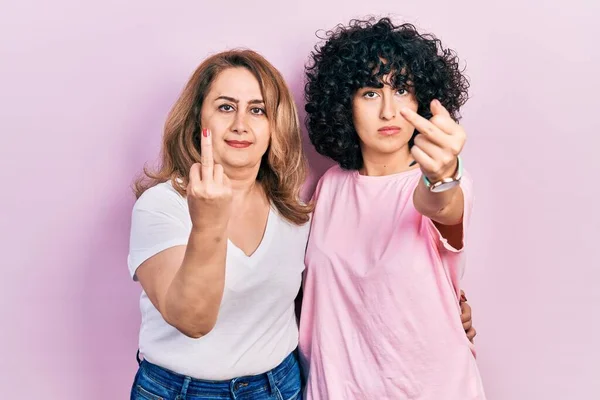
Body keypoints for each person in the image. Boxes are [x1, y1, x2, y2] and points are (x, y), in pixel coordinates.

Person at [299, 17, 486, 399]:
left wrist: (443, 174)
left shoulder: (446, 182)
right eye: (370, 92)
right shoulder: (330, 186)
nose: (388, 111)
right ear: (344, 104)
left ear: (422, 99)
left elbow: (440, 204)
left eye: (401, 89)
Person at [127, 49, 310, 400]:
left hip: (279, 386)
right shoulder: (162, 206)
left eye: (257, 110)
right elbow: (192, 320)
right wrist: (209, 223)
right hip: (179, 391)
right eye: (226, 107)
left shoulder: (294, 211)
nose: (241, 124)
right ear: (199, 120)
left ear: (276, 125)